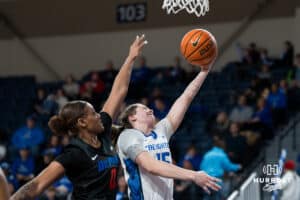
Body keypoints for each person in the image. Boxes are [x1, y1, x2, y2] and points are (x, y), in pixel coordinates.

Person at [11, 34, 148, 200]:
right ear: (82, 122)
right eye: (93, 113)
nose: (99, 115)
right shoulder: (74, 154)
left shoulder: (102, 130)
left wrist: (130, 58)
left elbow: (118, 92)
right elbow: (37, 185)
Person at [117, 65, 221, 200]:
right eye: (144, 109)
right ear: (132, 117)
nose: (151, 110)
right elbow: (151, 166)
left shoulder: (160, 131)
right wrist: (193, 175)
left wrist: (204, 72)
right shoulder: (127, 136)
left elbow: (186, 98)